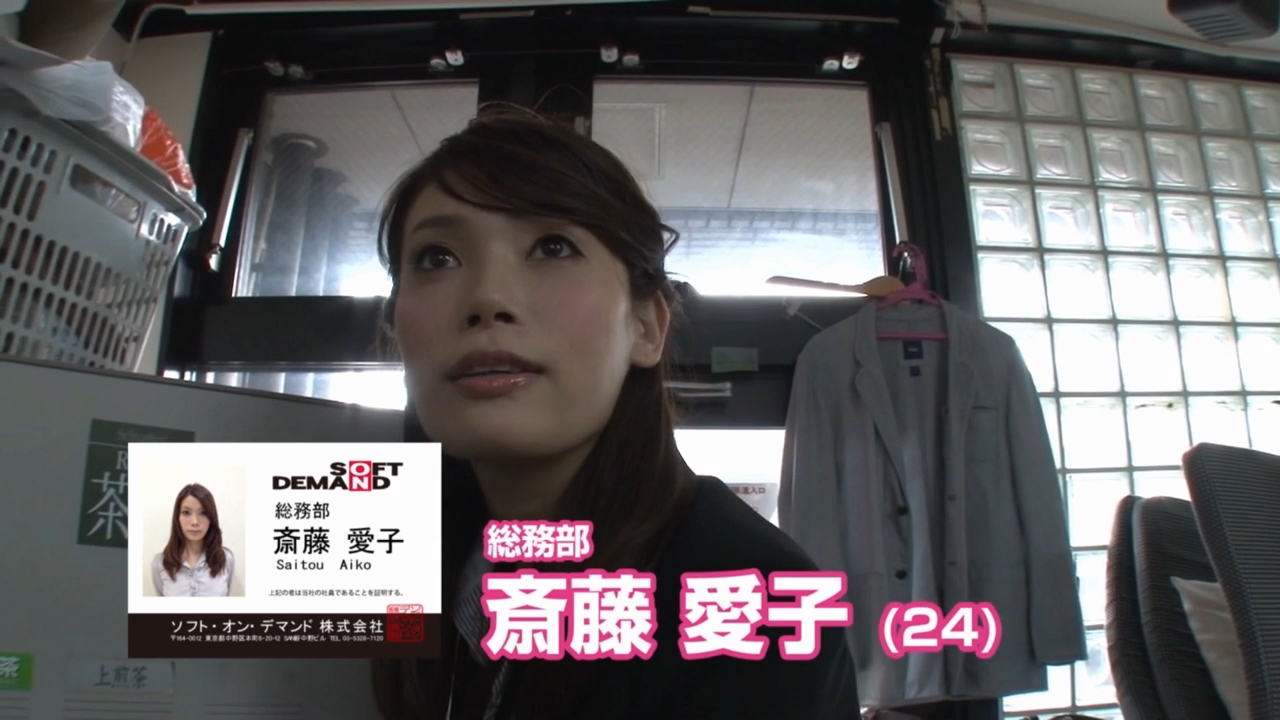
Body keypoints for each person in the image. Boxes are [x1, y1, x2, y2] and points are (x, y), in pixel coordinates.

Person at [371, 105, 859, 720]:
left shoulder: (748, 602)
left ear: (646, 327)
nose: (487, 298)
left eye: (553, 246)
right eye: (437, 257)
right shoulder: (398, 555)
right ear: (396, 334)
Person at [151, 483, 234, 597]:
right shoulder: (160, 563)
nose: (195, 522)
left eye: (203, 513)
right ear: (177, 517)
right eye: (186, 513)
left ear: (212, 517)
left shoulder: (226, 559)